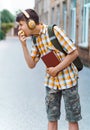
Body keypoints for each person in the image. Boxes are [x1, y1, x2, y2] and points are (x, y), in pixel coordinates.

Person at [16, 9, 82, 130]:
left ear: (31, 23)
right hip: (51, 83)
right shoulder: (35, 39)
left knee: (72, 120)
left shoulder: (54, 31)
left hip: (69, 81)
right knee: (51, 119)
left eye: (21, 24)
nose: (19, 29)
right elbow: (31, 64)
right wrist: (23, 45)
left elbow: (74, 53)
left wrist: (56, 69)